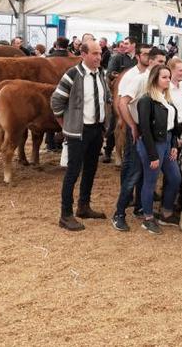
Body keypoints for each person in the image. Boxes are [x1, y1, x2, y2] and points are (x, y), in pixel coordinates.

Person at [50, 39, 110, 231]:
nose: (99, 57)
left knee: (91, 169)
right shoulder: (73, 74)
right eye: (95, 54)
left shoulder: (101, 74)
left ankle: (83, 206)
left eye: (100, 54)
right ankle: (65, 214)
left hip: (95, 129)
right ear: (83, 55)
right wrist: (66, 125)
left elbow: (105, 98)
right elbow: (56, 102)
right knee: (73, 172)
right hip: (78, 131)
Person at [135, 65, 182, 234]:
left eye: (169, 77)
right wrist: (152, 154)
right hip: (152, 144)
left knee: (175, 177)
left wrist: (174, 145)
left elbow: (173, 126)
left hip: (168, 142)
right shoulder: (146, 100)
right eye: (164, 77)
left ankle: (166, 212)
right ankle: (147, 218)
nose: (168, 80)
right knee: (150, 181)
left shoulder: (166, 99)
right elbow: (145, 129)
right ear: (155, 78)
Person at [111, 43, 153, 231]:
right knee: (132, 166)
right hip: (133, 126)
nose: (148, 58)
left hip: (146, 130)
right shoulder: (132, 76)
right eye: (146, 55)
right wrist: (130, 124)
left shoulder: (155, 78)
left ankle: (138, 204)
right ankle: (121, 208)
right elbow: (122, 102)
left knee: (140, 169)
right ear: (139, 56)